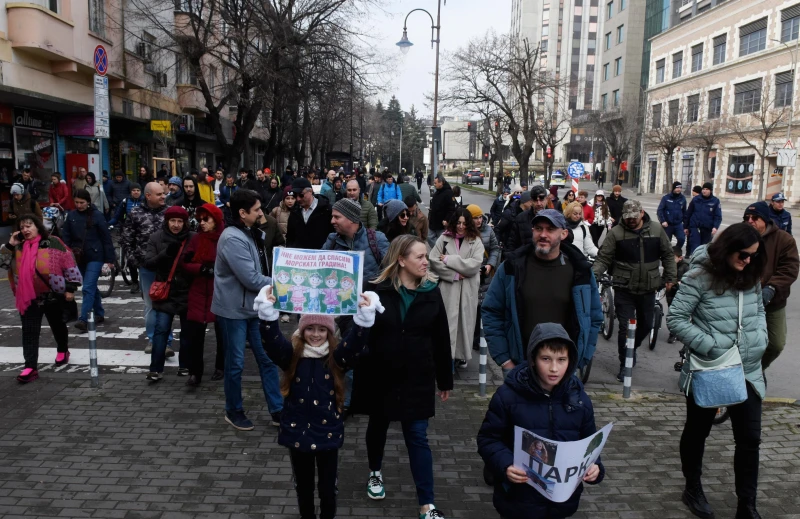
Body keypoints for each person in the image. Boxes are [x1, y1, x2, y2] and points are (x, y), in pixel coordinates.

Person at [666, 223, 768, 519]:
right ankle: (692, 487)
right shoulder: (698, 277)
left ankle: (747, 505)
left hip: (748, 369)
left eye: (754, 256)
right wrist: (709, 345)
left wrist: (760, 337)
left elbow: (759, 310)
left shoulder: (751, 275)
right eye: (744, 254)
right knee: (698, 432)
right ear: (728, 248)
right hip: (710, 368)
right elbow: (676, 318)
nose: (749, 260)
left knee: (750, 439)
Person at [349, 235, 453, 519]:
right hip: (380, 372)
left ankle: (427, 504)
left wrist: (445, 379)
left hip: (417, 376)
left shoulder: (431, 290)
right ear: (401, 260)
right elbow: (354, 326)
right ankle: (375, 472)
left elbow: (441, 337)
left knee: (418, 436)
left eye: (425, 256)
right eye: (419, 256)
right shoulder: (375, 290)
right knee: (378, 424)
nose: (425, 261)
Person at [257, 292, 379, 519]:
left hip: (327, 433)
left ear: (329, 332)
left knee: (327, 490)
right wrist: (267, 315)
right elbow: (272, 342)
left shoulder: (337, 356)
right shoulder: (291, 355)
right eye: (310, 328)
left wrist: (363, 318)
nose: (316, 334)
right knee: (303, 489)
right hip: (297, 432)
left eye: (322, 329)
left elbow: (355, 344)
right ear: (302, 330)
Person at [477, 323, 605, 519]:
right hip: (518, 500)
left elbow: (590, 444)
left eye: (561, 360)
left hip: (561, 504)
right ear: (533, 360)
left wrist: (595, 467)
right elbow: (488, 439)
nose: (554, 368)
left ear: (570, 361)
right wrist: (505, 465)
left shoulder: (580, 399)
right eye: (546, 359)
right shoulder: (508, 396)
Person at [483, 209, 602, 374]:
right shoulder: (512, 268)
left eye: (550, 229)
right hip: (520, 366)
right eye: (538, 228)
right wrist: (505, 360)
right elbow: (491, 311)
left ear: (564, 233)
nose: (543, 234)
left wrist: (581, 359)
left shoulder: (580, 271)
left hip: (563, 369)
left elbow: (594, 317)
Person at [211, 189, 283, 431]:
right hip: (234, 310)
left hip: (254, 308)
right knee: (236, 364)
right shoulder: (233, 238)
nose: (261, 213)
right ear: (242, 213)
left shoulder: (251, 233)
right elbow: (251, 278)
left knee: (267, 359)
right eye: (256, 210)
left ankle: (277, 409)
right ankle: (234, 410)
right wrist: (282, 283)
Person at [592, 200, 676, 381]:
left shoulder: (656, 229)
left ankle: (632, 347)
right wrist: (593, 275)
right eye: (627, 217)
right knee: (625, 328)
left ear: (642, 213)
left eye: (634, 217)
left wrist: (670, 276)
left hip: (648, 287)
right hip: (624, 288)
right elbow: (603, 258)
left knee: (646, 325)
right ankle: (625, 363)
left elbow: (668, 254)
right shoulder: (616, 233)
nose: (631, 220)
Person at [3, 215, 82, 383]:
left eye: (29, 225)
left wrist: (70, 288)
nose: (25, 230)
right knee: (29, 331)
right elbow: (2, 264)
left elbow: (68, 262)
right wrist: (10, 244)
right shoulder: (17, 247)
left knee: (58, 326)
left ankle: (63, 350)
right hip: (28, 297)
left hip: (52, 295)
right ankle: (30, 367)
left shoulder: (52, 242)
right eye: (22, 227)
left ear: (38, 226)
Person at [741, 201, 799, 370]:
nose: (750, 221)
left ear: (765, 219)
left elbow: (790, 268)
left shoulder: (784, 240)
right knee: (741, 342)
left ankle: (757, 369)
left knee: (776, 344)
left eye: (755, 217)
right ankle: (741, 374)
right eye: (747, 218)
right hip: (743, 300)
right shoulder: (739, 236)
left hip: (773, 302)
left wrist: (772, 287)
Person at [142, 206, 194, 381]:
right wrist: (166, 253)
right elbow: (148, 263)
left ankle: (185, 365)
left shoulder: (192, 238)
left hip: (187, 291)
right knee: (161, 330)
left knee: (187, 332)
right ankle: (155, 369)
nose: (176, 225)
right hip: (166, 292)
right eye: (173, 221)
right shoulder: (156, 238)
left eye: (180, 221)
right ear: (167, 221)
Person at [430, 206, 485, 368]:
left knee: (464, 322)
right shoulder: (444, 238)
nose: (461, 226)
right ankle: (447, 357)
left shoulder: (476, 240)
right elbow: (433, 260)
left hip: (467, 288)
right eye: (458, 223)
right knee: (447, 322)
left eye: (464, 223)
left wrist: (449, 260)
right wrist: (452, 274)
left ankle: (460, 355)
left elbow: (474, 265)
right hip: (449, 287)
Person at [121, 182, 169, 353]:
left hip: (166, 267)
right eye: (159, 194)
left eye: (164, 193)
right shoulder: (135, 213)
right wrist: (136, 261)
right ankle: (152, 339)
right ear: (148, 196)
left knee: (165, 304)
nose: (163, 196)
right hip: (147, 267)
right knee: (150, 304)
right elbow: (127, 240)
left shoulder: (168, 213)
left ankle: (166, 341)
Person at [180, 203, 224, 386]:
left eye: (206, 219)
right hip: (198, 291)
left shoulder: (225, 239)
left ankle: (221, 367)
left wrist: (217, 269)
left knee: (223, 334)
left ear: (216, 220)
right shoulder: (196, 239)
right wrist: (201, 268)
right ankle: (194, 372)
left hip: (219, 291)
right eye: (200, 220)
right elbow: (185, 262)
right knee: (194, 335)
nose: (202, 223)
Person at [61, 189, 115, 332]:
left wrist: (110, 259)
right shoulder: (71, 216)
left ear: (88, 202)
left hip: (96, 256)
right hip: (78, 256)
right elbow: (65, 236)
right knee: (90, 287)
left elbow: (106, 238)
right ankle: (99, 313)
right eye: (77, 202)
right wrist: (65, 254)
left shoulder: (97, 216)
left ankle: (83, 319)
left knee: (87, 287)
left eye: (82, 203)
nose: (79, 205)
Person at [467, 204, 501, 352]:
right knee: (471, 307)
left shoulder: (489, 230)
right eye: (475, 218)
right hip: (470, 273)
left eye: (480, 217)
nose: (479, 220)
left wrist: (491, 265)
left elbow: (494, 248)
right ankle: (469, 338)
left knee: (483, 308)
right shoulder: (465, 231)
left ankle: (478, 339)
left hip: (486, 274)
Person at [286, 177, 334, 249]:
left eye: (301, 195)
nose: (298, 199)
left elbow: (332, 235)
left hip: (321, 256)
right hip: (299, 256)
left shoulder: (326, 210)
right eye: (295, 195)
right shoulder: (294, 211)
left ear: (310, 191)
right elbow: (290, 237)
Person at [507, 185, 550, 252]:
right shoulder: (521, 218)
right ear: (531, 201)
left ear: (546, 199)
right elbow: (512, 242)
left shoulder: (556, 217)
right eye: (535, 200)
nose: (538, 203)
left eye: (541, 199)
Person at [685, 182, 722, 256]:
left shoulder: (715, 201)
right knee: (695, 247)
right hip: (695, 227)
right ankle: (694, 264)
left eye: (707, 189)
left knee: (704, 248)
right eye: (703, 189)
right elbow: (688, 213)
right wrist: (685, 227)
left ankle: (701, 265)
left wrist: (715, 227)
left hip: (707, 228)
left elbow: (718, 216)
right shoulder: (696, 199)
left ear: (710, 191)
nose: (704, 191)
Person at [666, 246, 690, 344]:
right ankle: (675, 332)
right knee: (671, 312)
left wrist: (680, 283)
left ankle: (674, 334)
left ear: (680, 258)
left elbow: (688, 280)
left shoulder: (685, 267)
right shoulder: (669, 266)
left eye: (673, 258)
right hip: (671, 292)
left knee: (678, 314)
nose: (671, 260)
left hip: (680, 294)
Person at [657, 181, 687, 249]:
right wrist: (663, 221)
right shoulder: (666, 198)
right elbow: (660, 210)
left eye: (680, 188)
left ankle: (676, 251)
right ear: (673, 188)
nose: (679, 189)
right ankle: (667, 254)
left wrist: (686, 226)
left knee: (681, 239)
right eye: (677, 187)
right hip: (668, 225)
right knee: (666, 243)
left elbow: (685, 213)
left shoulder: (683, 199)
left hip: (678, 224)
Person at [428, 175, 456, 248]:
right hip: (433, 221)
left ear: (441, 183)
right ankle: (438, 250)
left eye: (435, 183)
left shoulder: (448, 193)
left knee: (442, 240)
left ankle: (439, 252)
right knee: (429, 237)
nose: (434, 185)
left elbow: (452, 209)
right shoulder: (437, 192)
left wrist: (447, 219)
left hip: (442, 223)